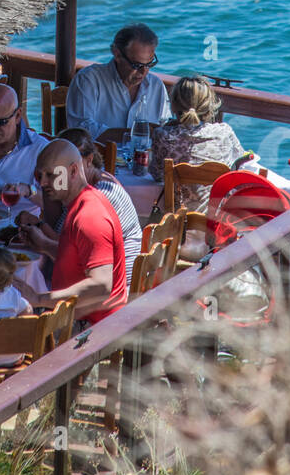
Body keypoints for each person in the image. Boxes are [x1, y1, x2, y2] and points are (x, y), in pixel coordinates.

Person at [18, 129, 141, 290]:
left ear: (88, 161)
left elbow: (65, 247)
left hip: (117, 289)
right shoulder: (86, 190)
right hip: (103, 283)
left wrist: (40, 228)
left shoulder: (98, 199)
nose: (44, 181)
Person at [22, 139, 126, 325]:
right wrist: (45, 246)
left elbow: (101, 285)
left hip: (90, 330)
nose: (43, 183)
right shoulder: (82, 203)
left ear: (73, 171)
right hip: (82, 322)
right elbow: (77, 260)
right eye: (39, 176)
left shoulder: (89, 216)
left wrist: (38, 298)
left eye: (51, 175)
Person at [149, 75, 247, 210]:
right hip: (216, 219)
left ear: (173, 105)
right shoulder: (223, 133)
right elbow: (239, 164)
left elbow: (156, 174)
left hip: (176, 220)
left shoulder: (163, 135)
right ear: (209, 106)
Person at [65, 23, 172, 142]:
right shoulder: (88, 80)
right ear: (117, 54)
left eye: (149, 64)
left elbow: (165, 127)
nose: (144, 71)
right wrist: (135, 133)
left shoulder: (156, 86)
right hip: (99, 159)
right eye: (137, 65)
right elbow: (80, 131)